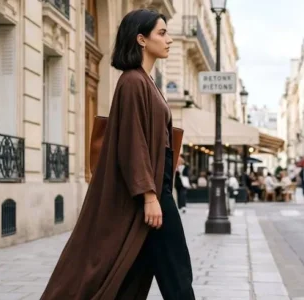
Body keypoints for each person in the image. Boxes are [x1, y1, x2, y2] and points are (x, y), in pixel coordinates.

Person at [40, 9, 195, 299]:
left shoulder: (145, 81)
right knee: (176, 272)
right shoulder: (133, 82)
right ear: (141, 39)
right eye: (162, 33)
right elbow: (133, 143)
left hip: (156, 187)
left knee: (132, 274)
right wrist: (149, 196)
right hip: (152, 192)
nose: (169, 40)